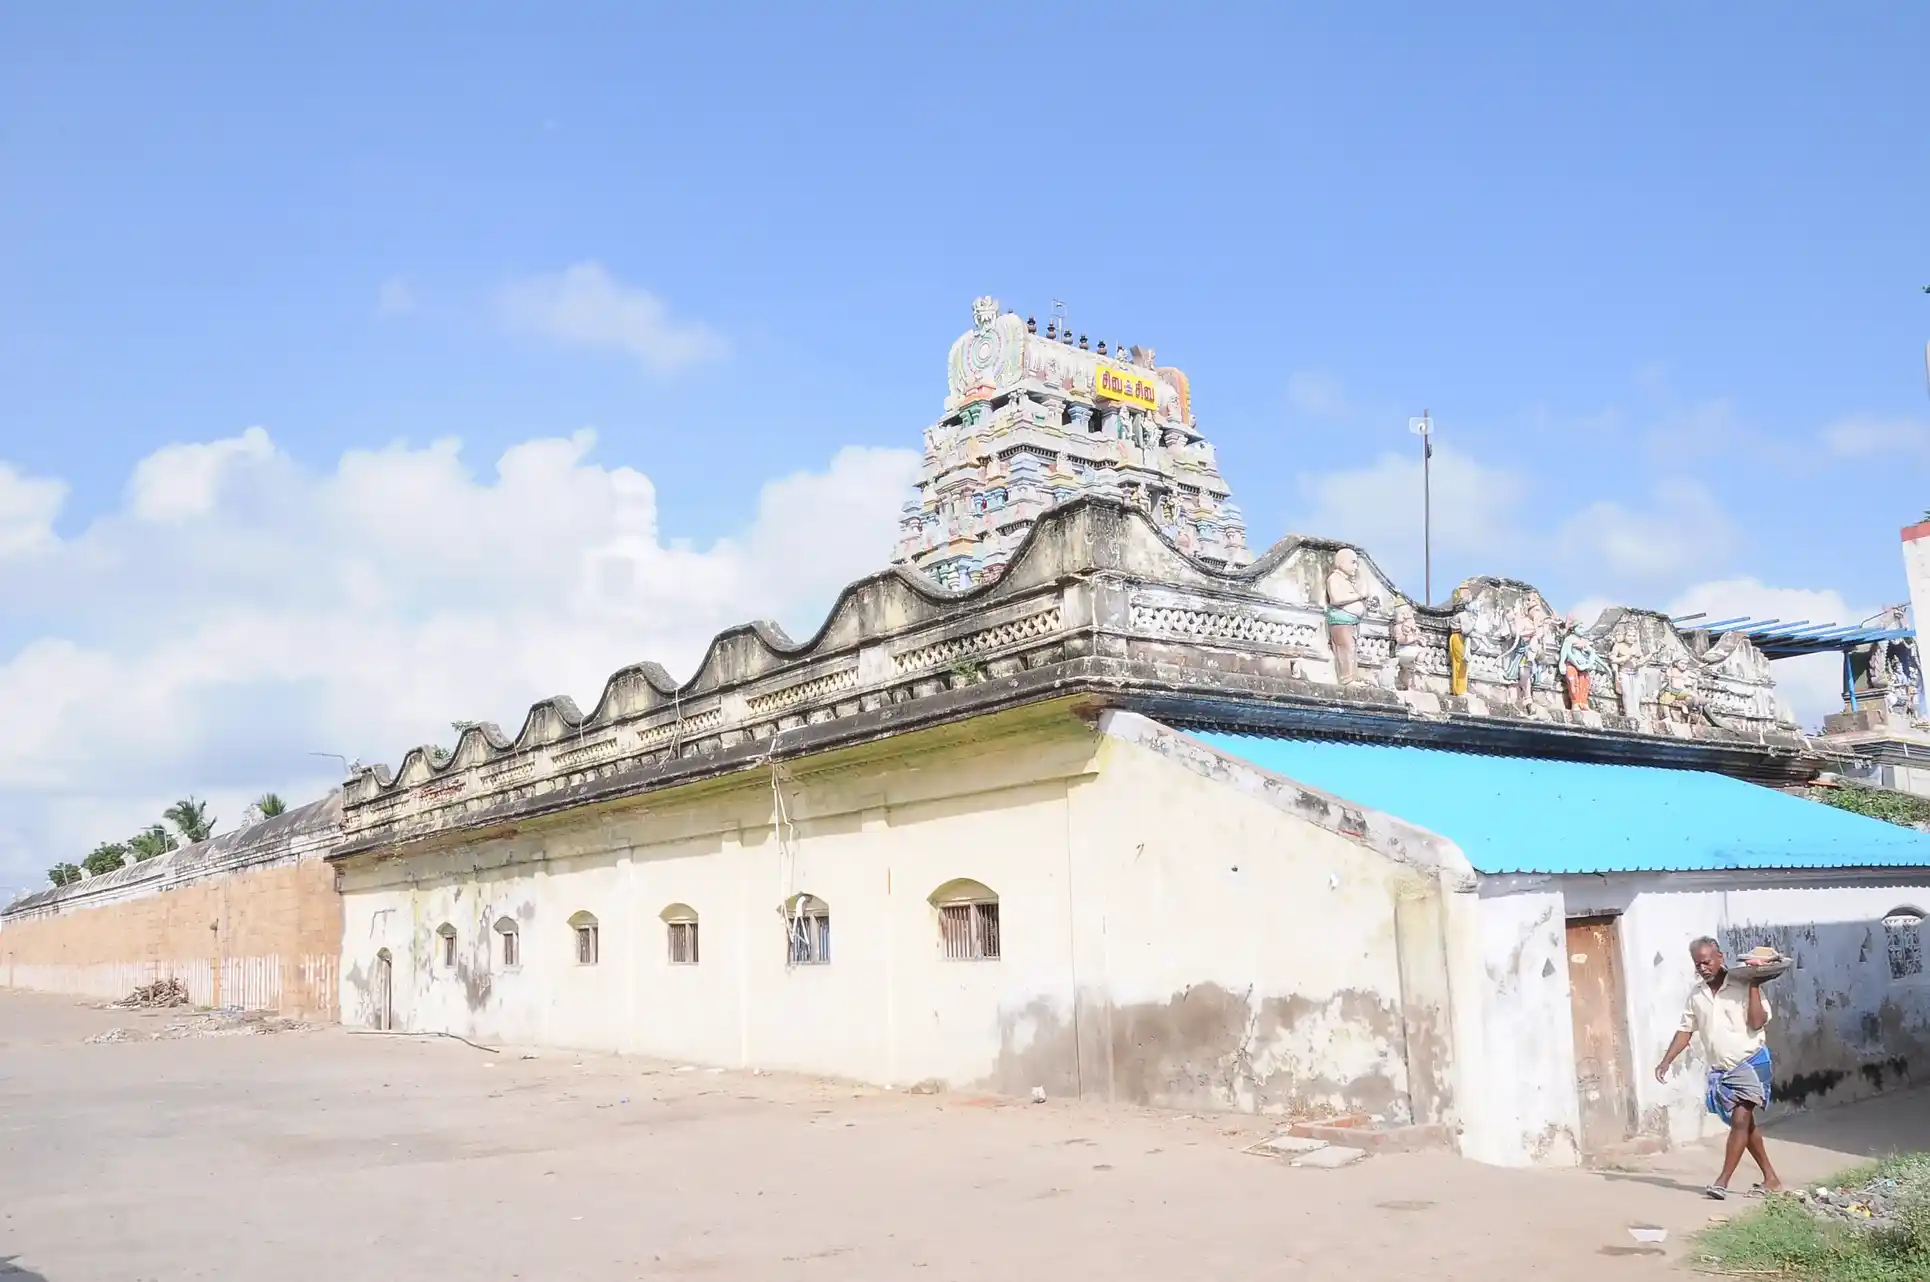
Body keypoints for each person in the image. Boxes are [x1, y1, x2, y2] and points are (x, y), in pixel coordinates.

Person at [1653, 937, 1782, 1199]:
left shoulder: (1744, 984)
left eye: (1707, 961)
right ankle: (1771, 1178)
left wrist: (1755, 985)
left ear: (1720, 957)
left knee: (1740, 1120)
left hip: (1752, 1062)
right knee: (1746, 1126)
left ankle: (1722, 1181)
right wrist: (1666, 1060)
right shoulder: (1697, 994)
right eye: (1697, 963)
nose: (1702, 967)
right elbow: (1685, 1030)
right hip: (1723, 1071)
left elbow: (1757, 1023)